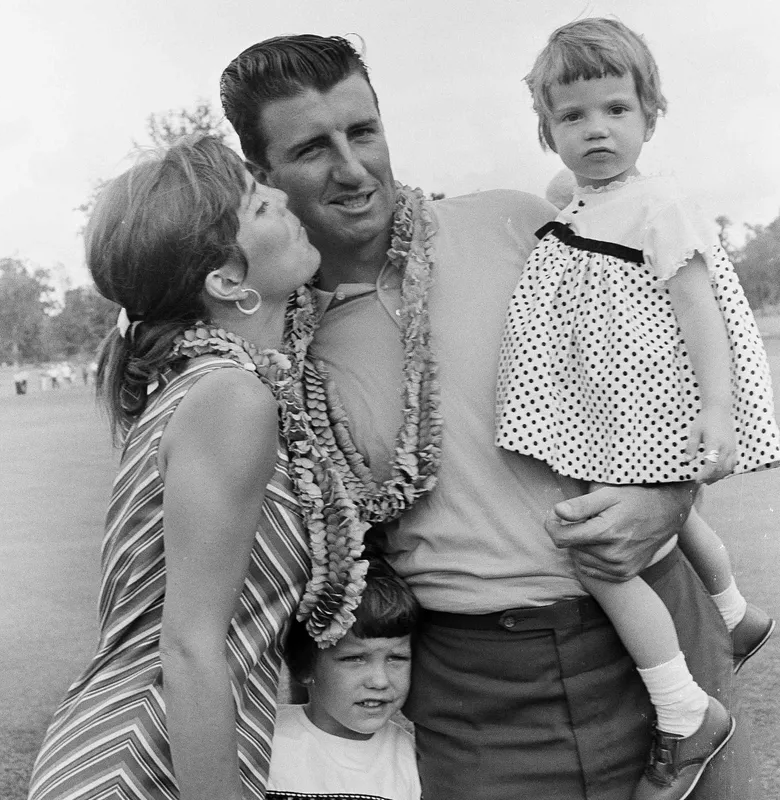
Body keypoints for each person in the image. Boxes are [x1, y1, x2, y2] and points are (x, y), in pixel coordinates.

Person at [220, 35, 754, 799]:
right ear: (263, 173)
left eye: (363, 131)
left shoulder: (525, 224)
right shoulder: (279, 346)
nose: (351, 167)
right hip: (476, 696)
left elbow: (670, 376)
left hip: (658, 644)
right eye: (312, 148)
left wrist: (667, 498)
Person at [493, 19, 779, 799]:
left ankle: (684, 710)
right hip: (613, 406)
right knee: (663, 520)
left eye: (616, 110)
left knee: (592, 549)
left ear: (650, 115)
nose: (596, 130)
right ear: (547, 130)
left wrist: (715, 412)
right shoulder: (591, 202)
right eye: (573, 116)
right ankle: (735, 610)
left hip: (653, 401)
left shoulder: (658, 207)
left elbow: (702, 314)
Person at [27, 134, 338, 800]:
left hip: (138, 755)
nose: (283, 196)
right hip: (140, 765)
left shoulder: (202, 387)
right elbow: (191, 647)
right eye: (259, 207)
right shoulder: (229, 397)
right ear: (227, 281)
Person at [267, 552, 421, 800]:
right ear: (304, 667)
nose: (380, 681)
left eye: (396, 658)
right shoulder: (265, 741)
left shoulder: (409, 757)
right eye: (354, 659)